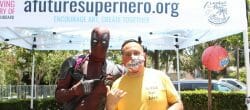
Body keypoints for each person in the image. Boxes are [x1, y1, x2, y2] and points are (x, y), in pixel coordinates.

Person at [55, 27, 126, 110]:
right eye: (95, 41)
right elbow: (58, 96)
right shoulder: (73, 63)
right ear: (91, 41)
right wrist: (74, 91)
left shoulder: (115, 69)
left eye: (103, 42)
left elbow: (139, 73)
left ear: (108, 43)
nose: (99, 45)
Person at [106, 39, 184, 110]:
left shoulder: (160, 76)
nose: (133, 57)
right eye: (128, 54)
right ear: (123, 59)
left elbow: (178, 104)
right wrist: (110, 106)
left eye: (136, 53)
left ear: (144, 56)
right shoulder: (117, 85)